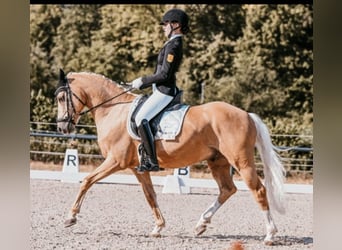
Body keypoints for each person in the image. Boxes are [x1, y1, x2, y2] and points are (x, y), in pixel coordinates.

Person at [129, 8, 189, 173]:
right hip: (159, 89)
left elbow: (164, 74)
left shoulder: (174, 45)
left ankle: (152, 161)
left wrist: (142, 81)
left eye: (166, 24)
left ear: (176, 25)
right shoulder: (170, 43)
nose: (163, 27)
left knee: (141, 118)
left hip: (165, 91)